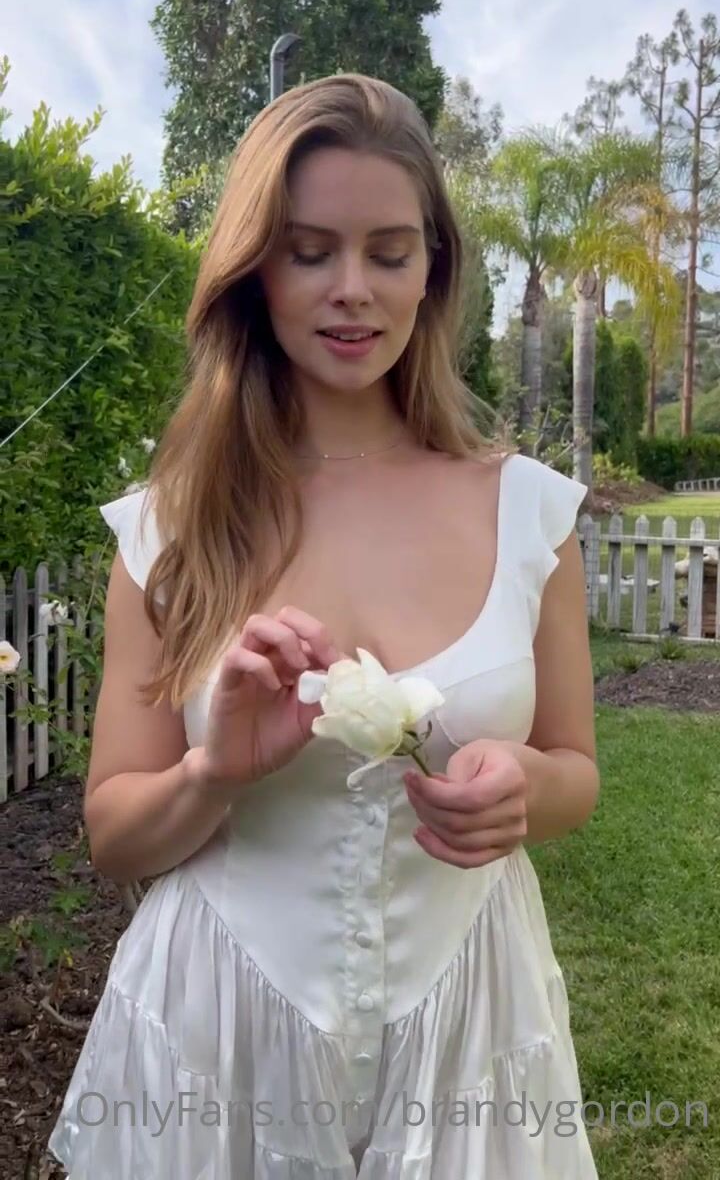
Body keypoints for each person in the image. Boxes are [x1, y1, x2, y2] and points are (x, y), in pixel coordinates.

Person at [48, 73, 600, 1179]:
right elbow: (114, 834)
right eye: (310, 252)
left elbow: (575, 771)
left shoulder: (530, 513)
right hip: (220, 1037)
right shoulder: (167, 528)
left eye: (389, 253)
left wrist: (523, 791)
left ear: (433, 268)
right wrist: (212, 772)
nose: (353, 290)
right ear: (255, 268)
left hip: (469, 1020)